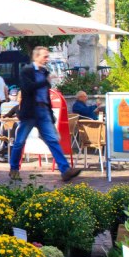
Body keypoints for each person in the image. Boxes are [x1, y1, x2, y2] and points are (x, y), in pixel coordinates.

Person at [9, 46, 82, 182]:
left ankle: (65, 170)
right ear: (36, 57)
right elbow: (27, 88)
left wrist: (50, 113)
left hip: (43, 111)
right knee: (20, 141)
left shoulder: (44, 72)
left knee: (52, 140)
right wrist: (45, 81)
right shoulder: (27, 71)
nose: (47, 59)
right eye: (45, 56)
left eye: (47, 56)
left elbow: (46, 96)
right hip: (30, 111)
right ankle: (14, 168)